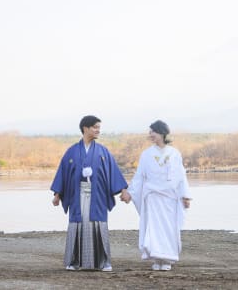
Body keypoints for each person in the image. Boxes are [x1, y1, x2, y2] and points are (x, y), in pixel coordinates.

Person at [51, 115, 129, 272]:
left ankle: (103, 262)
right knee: (77, 225)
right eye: (95, 127)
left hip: (97, 196)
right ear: (85, 128)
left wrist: (123, 190)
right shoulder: (72, 152)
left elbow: (113, 171)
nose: (98, 130)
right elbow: (63, 172)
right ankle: (74, 261)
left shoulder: (102, 151)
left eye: (99, 127)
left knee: (98, 224)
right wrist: (57, 194)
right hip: (77, 196)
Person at [121, 120, 191, 271]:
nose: (150, 135)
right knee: (154, 228)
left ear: (162, 133)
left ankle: (167, 259)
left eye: (153, 131)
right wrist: (130, 193)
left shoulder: (174, 153)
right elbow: (140, 176)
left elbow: (181, 176)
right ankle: (157, 257)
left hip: (170, 198)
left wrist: (185, 195)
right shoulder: (146, 154)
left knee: (168, 228)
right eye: (150, 132)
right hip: (152, 197)